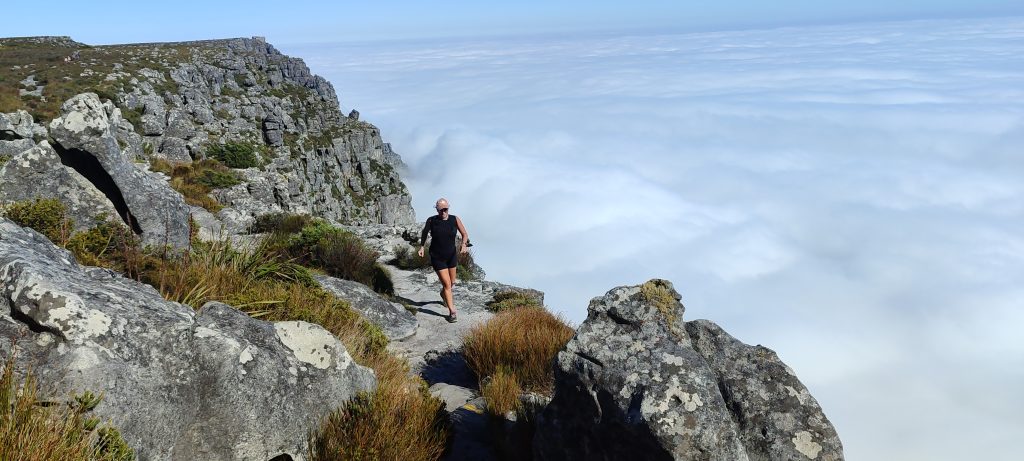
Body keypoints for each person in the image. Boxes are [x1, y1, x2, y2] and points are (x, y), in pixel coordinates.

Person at [419, 198, 469, 323]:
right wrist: (421, 247)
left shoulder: (454, 219)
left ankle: (443, 294)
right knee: (447, 284)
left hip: (451, 256)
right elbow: (424, 233)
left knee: (452, 283)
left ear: (448, 208)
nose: (443, 212)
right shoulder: (431, 220)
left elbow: (465, 234)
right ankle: (452, 312)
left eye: (445, 209)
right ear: (436, 209)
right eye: (440, 210)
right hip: (437, 257)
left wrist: (464, 245)